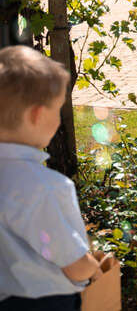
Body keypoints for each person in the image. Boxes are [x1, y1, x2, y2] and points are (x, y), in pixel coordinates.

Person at [0, 46, 115, 310]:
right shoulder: (45, 187)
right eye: (56, 110)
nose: (58, 120)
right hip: (45, 303)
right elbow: (73, 264)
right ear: (37, 115)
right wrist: (93, 267)